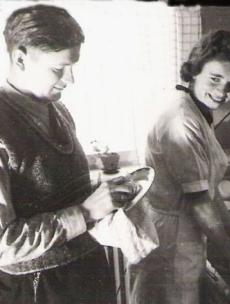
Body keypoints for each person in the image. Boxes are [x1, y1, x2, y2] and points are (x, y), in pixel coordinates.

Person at [0, 4, 120, 303]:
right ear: (20, 58)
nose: (71, 79)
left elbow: (58, 188)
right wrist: (87, 212)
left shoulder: (58, 109)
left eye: (73, 66)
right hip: (38, 287)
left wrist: (106, 196)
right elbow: (4, 244)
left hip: (86, 271)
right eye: (58, 69)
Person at [132, 30, 230, 304]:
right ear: (194, 72)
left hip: (183, 235)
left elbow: (209, 192)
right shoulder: (182, 122)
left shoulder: (198, 112)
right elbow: (201, 203)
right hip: (172, 238)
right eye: (215, 78)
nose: (222, 91)